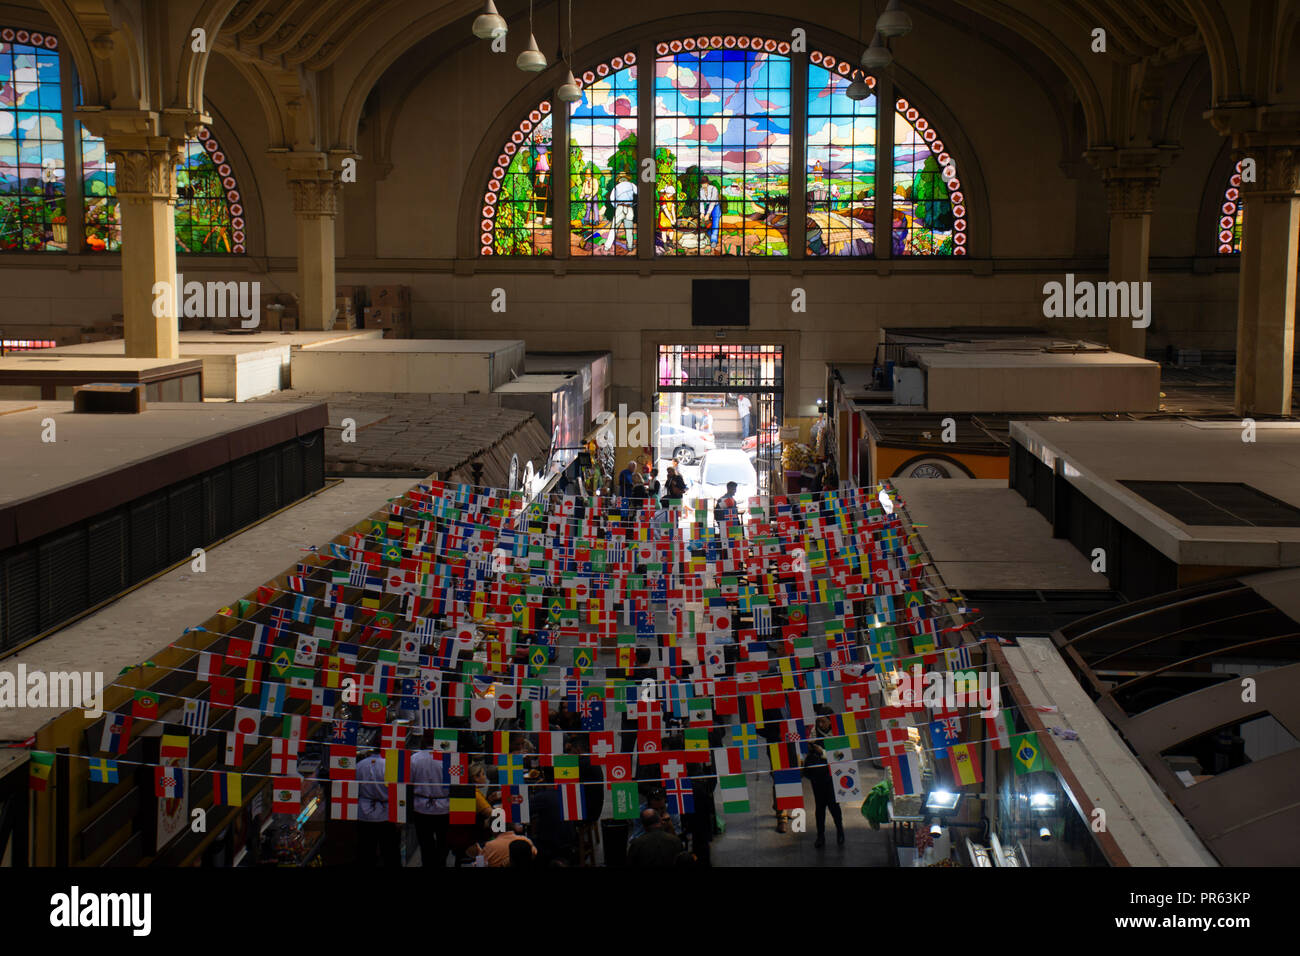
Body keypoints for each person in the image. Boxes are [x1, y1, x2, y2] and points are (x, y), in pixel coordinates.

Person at [410, 735, 451, 866]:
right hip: (444, 808)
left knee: (425, 843)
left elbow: (408, 783)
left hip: (421, 808)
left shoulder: (414, 759)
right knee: (443, 843)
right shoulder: (449, 758)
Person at [356, 748, 400, 866]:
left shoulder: (359, 765)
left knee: (366, 851)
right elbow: (396, 790)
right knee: (390, 852)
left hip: (364, 814)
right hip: (386, 814)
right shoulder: (389, 765)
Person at [803, 734, 845, 847]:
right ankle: (820, 835)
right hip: (817, 778)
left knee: (834, 806)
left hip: (832, 777)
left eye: (823, 721)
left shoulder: (835, 736)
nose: (821, 724)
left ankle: (840, 831)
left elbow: (841, 756)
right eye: (819, 722)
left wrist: (822, 752)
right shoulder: (812, 734)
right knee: (820, 807)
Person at [604, 172, 637, 252]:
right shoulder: (632, 185)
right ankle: (629, 246)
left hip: (620, 208)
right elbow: (638, 194)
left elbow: (612, 199)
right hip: (629, 209)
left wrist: (617, 206)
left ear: (619, 179)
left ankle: (607, 246)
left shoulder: (616, 187)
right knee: (629, 229)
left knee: (613, 228)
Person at [698, 178, 721, 248]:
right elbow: (701, 202)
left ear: (707, 183)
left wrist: (707, 214)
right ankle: (709, 235)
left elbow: (713, 202)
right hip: (708, 206)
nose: (703, 185)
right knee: (706, 222)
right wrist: (702, 212)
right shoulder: (701, 191)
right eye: (702, 184)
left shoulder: (714, 189)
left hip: (716, 207)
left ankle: (714, 241)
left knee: (715, 223)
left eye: (704, 183)